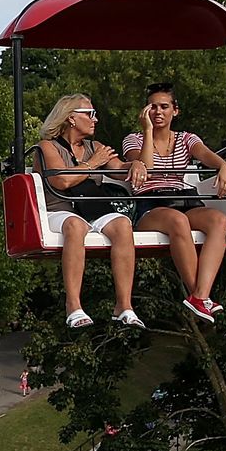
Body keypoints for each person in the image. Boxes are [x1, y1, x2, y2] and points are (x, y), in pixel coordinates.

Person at [122, 82, 226, 322]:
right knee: (178, 221)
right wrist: (149, 132)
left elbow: (205, 154)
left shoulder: (186, 139)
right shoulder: (133, 140)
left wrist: (223, 166)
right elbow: (147, 168)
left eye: (164, 107)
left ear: (175, 111)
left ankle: (200, 295)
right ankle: (200, 297)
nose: (158, 112)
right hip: (150, 203)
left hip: (181, 197)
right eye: (152, 107)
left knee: (218, 220)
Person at [37, 94, 142, 328]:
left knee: (123, 224)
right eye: (90, 114)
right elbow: (61, 182)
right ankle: (73, 304)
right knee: (75, 226)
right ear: (71, 118)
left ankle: (123, 305)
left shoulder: (95, 147)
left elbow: (118, 169)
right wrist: (93, 164)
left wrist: (134, 164)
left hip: (92, 209)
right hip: (59, 209)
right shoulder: (47, 148)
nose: (95, 119)